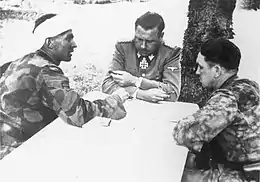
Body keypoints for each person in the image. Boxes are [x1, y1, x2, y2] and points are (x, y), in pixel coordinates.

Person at [0, 13, 129, 160]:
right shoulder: (46, 70)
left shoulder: (21, 62)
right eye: (68, 38)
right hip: (18, 153)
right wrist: (115, 100)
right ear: (49, 43)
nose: (74, 44)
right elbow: (77, 115)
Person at [173, 38, 260, 182]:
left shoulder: (228, 98)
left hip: (244, 175)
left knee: (180, 175)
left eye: (201, 67)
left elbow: (187, 133)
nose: (196, 72)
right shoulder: (250, 87)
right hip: (252, 170)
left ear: (217, 70)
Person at [102, 11, 181, 103]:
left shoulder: (170, 53)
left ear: (161, 36)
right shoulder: (123, 47)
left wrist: (136, 81)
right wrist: (139, 94)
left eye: (150, 41)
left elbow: (172, 93)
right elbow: (107, 85)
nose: (143, 46)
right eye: (139, 39)